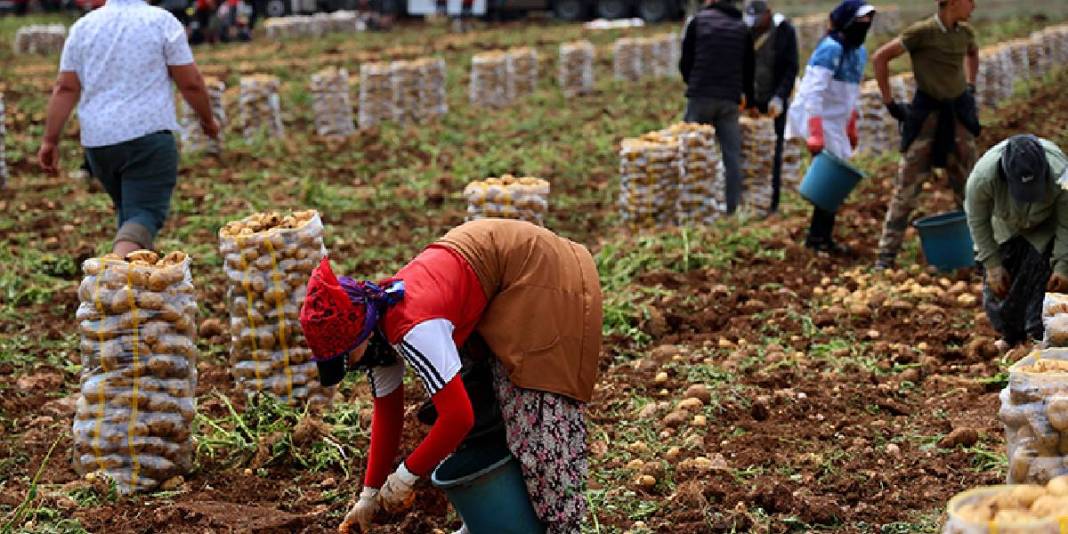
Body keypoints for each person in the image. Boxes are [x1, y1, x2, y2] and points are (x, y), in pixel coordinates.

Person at [298, 219, 603, 534]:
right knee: (479, 396)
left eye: (348, 355)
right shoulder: (376, 329)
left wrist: (406, 475)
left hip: (541, 272)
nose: (351, 365)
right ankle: (492, 520)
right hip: (497, 278)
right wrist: (369, 495)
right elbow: (388, 415)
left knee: (534, 408)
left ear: (361, 331)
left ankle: (559, 525)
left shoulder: (412, 327)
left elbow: (458, 418)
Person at [37, 0, 219, 257]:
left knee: (130, 213)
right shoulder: (160, 21)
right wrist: (207, 120)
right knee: (144, 213)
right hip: (148, 138)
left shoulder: (84, 27)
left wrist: (50, 140)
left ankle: (134, 287)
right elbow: (191, 83)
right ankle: (112, 280)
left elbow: (65, 87)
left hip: (99, 144)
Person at [874, 0, 980, 269]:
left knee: (971, 187)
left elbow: (973, 53)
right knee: (907, 186)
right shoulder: (921, 33)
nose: (974, 6)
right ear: (953, 3)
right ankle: (885, 257)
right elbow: (881, 57)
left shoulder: (965, 33)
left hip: (957, 114)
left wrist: (970, 85)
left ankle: (979, 254)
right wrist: (889, 102)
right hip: (927, 116)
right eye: (969, 1)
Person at [785, 0, 875, 254]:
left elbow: (852, 94)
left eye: (868, 23)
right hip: (819, 117)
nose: (864, 28)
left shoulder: (859, 52)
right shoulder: (830, 49)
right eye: (860, 22)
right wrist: (815, 131)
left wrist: (852, 125)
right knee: (831, 179)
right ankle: (817, 239)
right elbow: (812, 93)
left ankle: (822, 237)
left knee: (835, 180)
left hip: (836, 119)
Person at [966, 135, 1068, 350]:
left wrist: (1062, 265)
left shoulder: (1061, 174)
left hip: (1046, 226)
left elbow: (1066, 223)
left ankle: (1042, 338)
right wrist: (992, 264)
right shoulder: (983, 178)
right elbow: (977, 221)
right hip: (1005, 225)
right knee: (1002, 288)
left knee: (1046, 284)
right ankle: (1011, 337)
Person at [679, 0, 755, 215]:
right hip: (729, 100)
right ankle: (731, 209)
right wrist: (748, 98)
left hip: (701, 96)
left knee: (691, 152)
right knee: (732, 156)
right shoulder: (741, 27)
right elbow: (749, 69)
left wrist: (692, 83)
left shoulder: (698, 21)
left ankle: (693, 208)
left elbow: (686, 60)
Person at [743, 0, 799, 214]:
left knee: (773, 151)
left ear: (768, 13)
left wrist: (780, 96)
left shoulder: (784, 32)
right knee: (749, 149)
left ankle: (771, 201)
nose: (755, 25)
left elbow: (790, 67)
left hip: (774, 100)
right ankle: (748, 200)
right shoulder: (746, 33)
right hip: (751, 100)